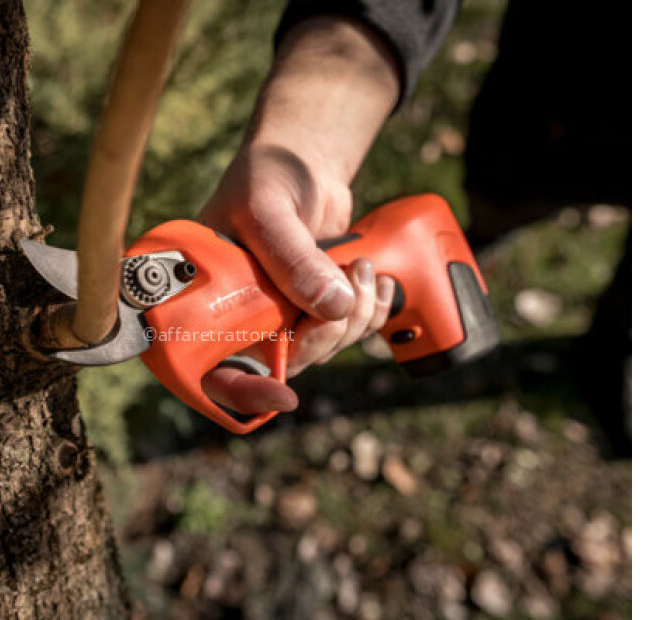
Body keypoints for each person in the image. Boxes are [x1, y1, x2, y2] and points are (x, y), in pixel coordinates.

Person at [198, 0, 631, 456]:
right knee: (501, 202)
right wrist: (299, 152)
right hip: (555, 112)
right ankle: (479, 241)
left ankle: (615, 342)